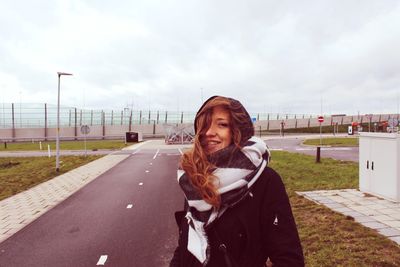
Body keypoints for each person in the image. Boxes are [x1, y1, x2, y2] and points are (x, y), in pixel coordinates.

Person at [170, 96, 304, 267]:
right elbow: (185, 243)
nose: (209, 132)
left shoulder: (265, 181)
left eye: (222, 124)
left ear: (238, 130)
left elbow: (289, 259)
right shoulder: (195, 178)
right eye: (204, 125)